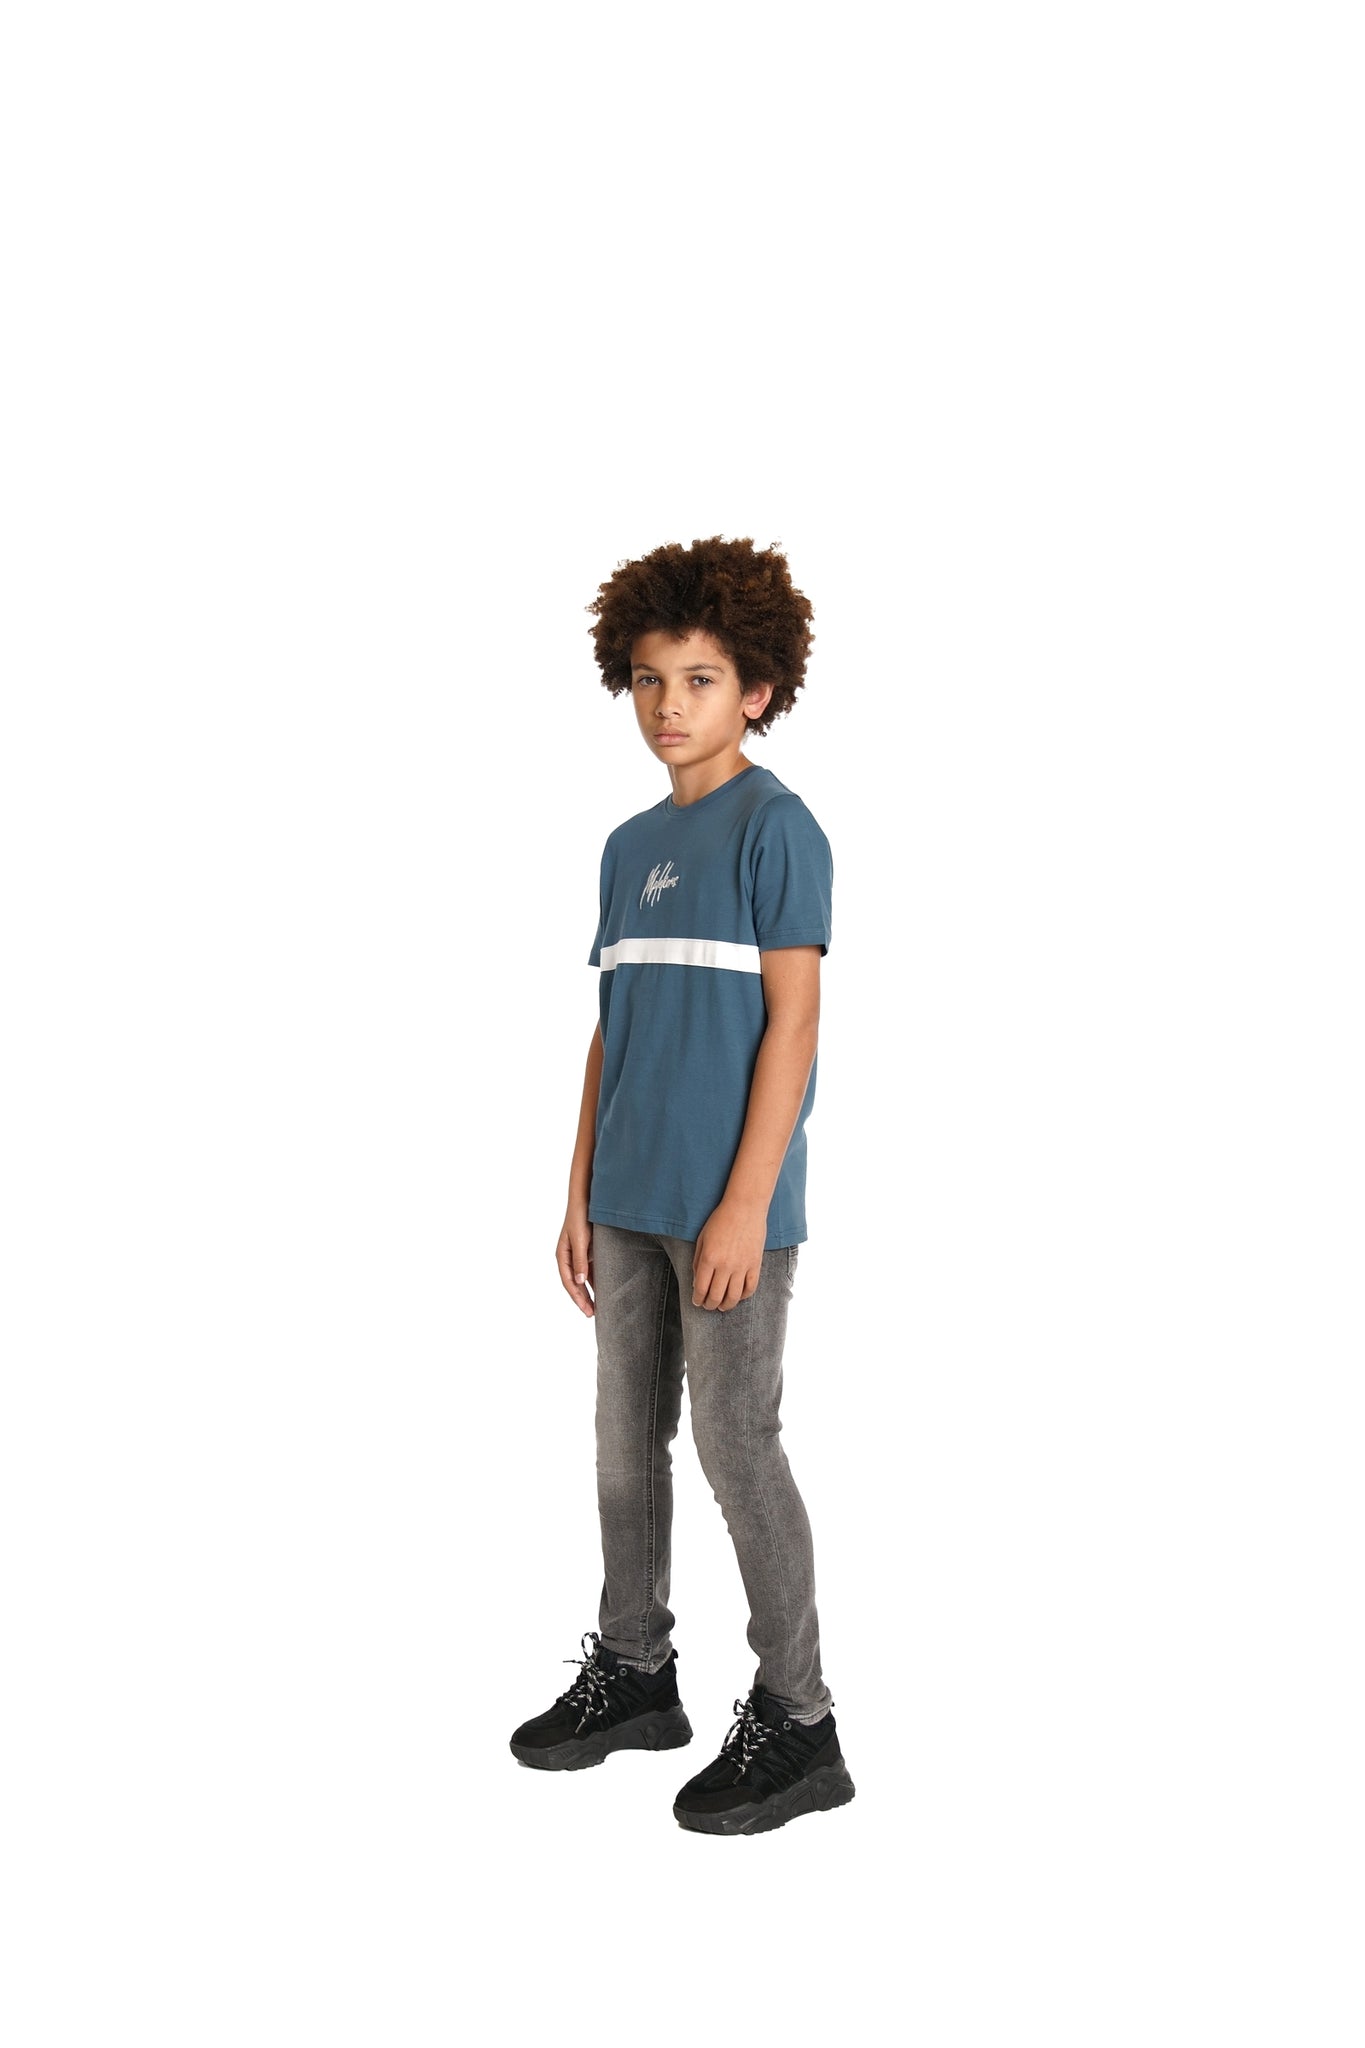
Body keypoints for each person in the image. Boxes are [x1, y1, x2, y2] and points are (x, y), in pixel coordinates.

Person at [509, 536, 855, 1836]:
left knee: (735, 1445)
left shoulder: (777, 828)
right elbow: (613, 1027)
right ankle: (636, 1673)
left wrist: (745, 1204)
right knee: (622, 1448)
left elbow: (794, 1028)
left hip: (726, 1212)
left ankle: (801, 1721)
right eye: (650, 679)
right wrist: (577, 1191)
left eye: (700, 679)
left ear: (755, 689)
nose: (669, 705)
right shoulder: (626, 845)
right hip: (627, 1200)